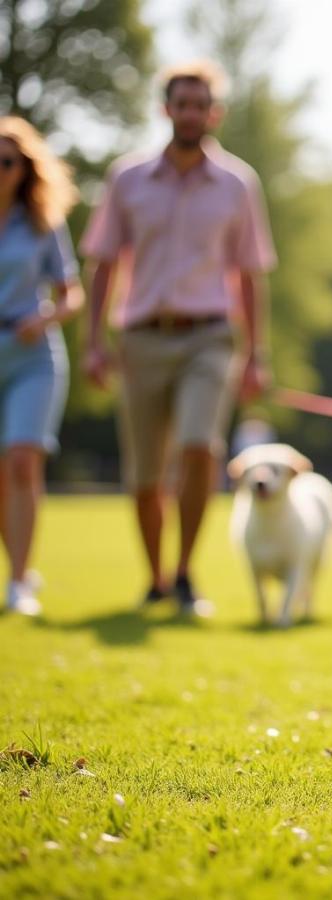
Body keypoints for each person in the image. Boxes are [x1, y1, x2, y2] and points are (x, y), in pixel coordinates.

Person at [80, 60, 277, 615]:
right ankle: (156, 578)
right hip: (140, 338)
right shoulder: (127, 178)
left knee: (199, 447)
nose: (191, 113)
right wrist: (92, 344)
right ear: (166, 109)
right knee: (145, 474)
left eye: (201, 104)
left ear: (215, 113)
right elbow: (102, 264)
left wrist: (257, 355)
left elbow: (251, 274)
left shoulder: (239, 183)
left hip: (210, 337)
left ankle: (187, 572)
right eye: (181, 103)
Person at [0, 117, 82, 615]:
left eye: (7, 162)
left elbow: (72, 292)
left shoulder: (41, 223)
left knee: (23, 462)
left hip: (33, 353)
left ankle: (19, 581)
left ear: (23, 169)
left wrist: (46, 315)